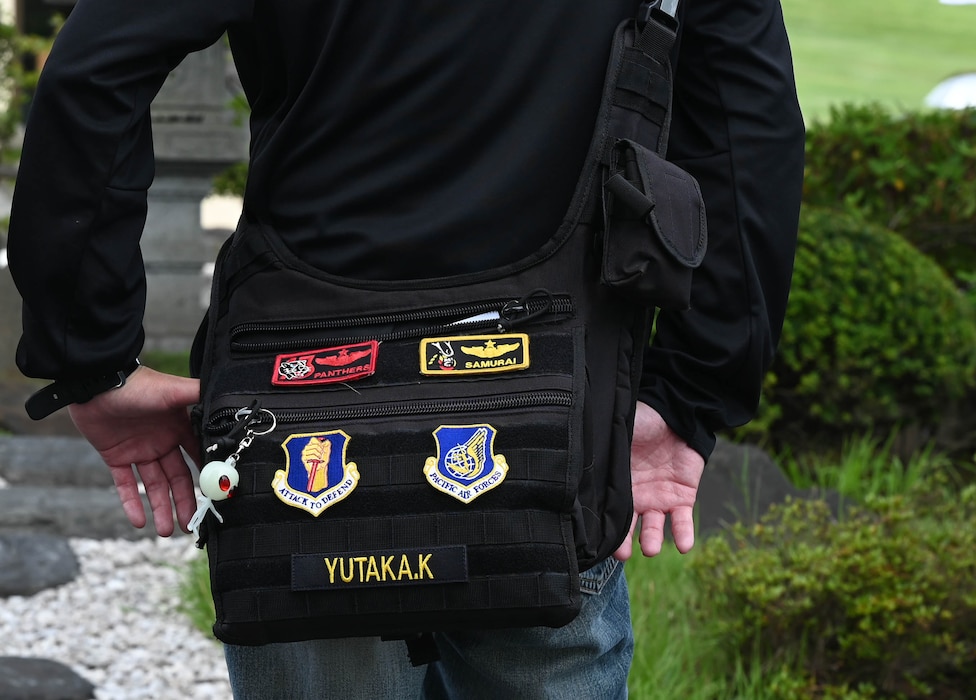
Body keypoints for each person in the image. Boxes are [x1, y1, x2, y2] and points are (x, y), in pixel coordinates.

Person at [7, 0, 805, 697]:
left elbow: (94, 72)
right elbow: (747, 126)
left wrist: (95, 360)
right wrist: (687, 392)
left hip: (304, 428)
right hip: (550, 414)